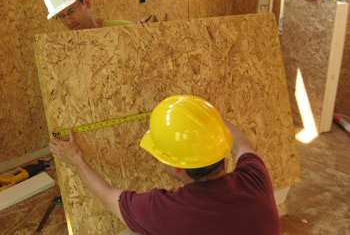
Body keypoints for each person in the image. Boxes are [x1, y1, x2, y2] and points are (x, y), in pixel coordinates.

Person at [49, 95, 281, 235]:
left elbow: (107, 197)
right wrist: (202, 118)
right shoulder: (255, 178)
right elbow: (243, 145)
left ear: (177, 167)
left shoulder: (166, 211)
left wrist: (76, 159)